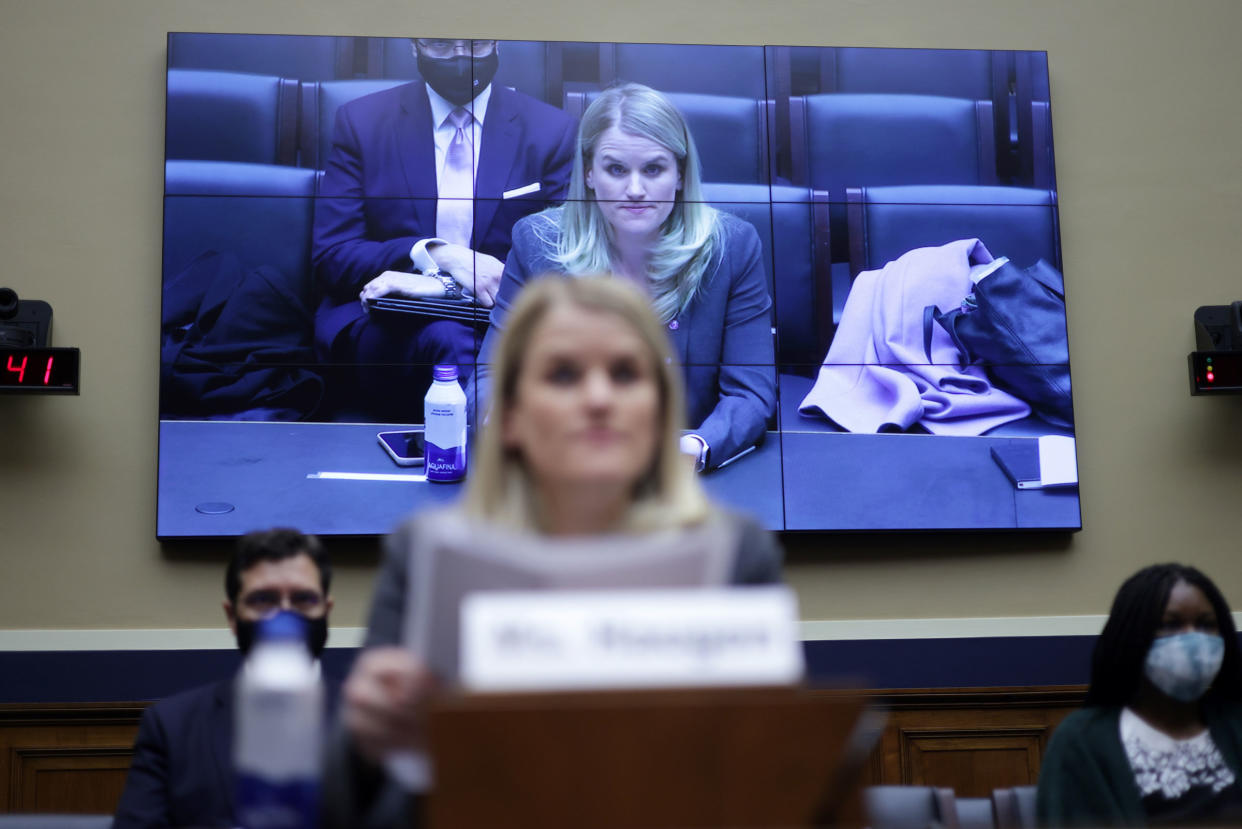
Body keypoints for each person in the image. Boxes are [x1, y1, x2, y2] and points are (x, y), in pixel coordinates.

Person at [323, 275, 783, 828]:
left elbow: (775, 788)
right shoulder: (426, 556)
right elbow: (344, 806)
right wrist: (363, 740)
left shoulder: (737, 556)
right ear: (509, 416)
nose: (597, 398)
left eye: (625, 374)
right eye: (564, 374)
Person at [476, 82, 776, 471]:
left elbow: (751, 393)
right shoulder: (537, 243)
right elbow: (490, 378)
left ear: (681, 175)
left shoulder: (732, 247)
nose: (635, 190)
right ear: (588, 173)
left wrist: (697, 448)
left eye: (653, 169)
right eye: (616, 169)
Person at [311, 38, 577, 420]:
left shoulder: (552, 131)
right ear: (413, 46)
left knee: (463, 341)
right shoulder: (362, 122)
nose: (459, 56)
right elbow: (332, 257)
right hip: (386, 320)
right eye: (439, 43)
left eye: (474, 43)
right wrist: (436, 254)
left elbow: (564, 264)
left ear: (497, 43)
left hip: (499, 319)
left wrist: (442, 285)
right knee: (451, 339)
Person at [114, 528, 338, 829]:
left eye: (303, 600)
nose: (284, 616)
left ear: (326, 610)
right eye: (263, 600)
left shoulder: (375, 723)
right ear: (232, 617)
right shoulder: (172, 727)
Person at [1036, 563, 1242, 826]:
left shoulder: (1234, 723)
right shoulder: (1081, 741)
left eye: (1205, 625)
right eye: (1171, 624)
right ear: (1133, 636)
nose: (1193, 640)